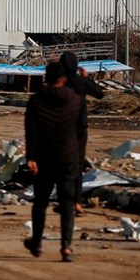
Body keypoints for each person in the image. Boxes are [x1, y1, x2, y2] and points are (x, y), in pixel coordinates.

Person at [23, 62, 86, 262]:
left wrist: (30, 157)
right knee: (67, 202)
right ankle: (66, 246)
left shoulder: (36, 101)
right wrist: (78, 155)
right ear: (65, 79)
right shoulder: (76, 100)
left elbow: (30, 132)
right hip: (68, 158)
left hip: (43, 158)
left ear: (46, 77)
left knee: (40, 202)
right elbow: (80, 130)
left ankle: (37, 242)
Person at [60, 50, 104, 217]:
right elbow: (99, 94)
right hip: (79, 128)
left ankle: (65, 201)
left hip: (63, 127)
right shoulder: (81, 82)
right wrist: (86, 78)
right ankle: (77, 203)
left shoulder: (60, 82)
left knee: (63, 165)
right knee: (77, 165)